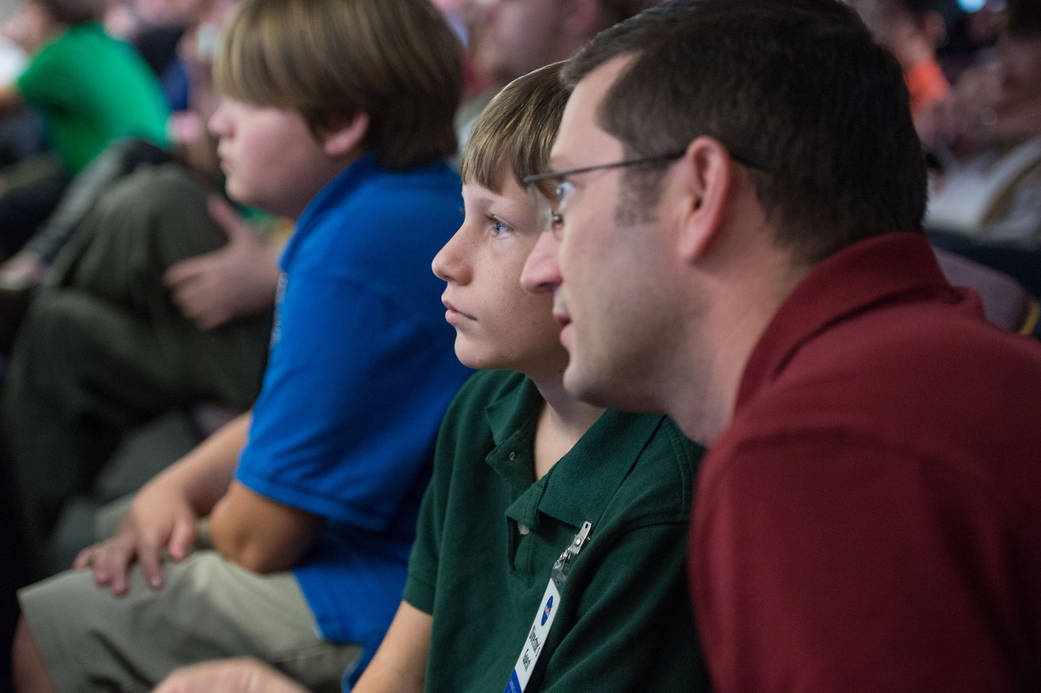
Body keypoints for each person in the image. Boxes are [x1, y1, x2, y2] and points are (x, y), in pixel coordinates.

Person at [519, 0, 1041, 689]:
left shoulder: (816, 451)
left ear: (699, 193)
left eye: (566, 195)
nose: (541, 264)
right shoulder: (954, 371)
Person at [152, 62, 707, 693]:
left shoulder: (660, 504)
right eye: (466, 216)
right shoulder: (484, 407)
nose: (445, 260)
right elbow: (402, 668)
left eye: (498, 225)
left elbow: (258, 536)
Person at [11, 0, 469, 691]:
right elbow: (286, 418)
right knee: (119, 528)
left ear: (341, 122)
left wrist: (191, 520)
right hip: (388, 560)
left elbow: (259, 540)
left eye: (248, 102)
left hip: (386, 591)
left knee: (53, 632)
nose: (218, 121)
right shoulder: (398, 201)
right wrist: (175, 487)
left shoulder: (351, 247)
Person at [0, 0, 169, 256]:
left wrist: (19, 45)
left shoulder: (60, 53)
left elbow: (5, 103)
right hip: (146, 173)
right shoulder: (106, 42)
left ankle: (25, 272)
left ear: (42, 14)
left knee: (10, 207)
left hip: (105, 182)